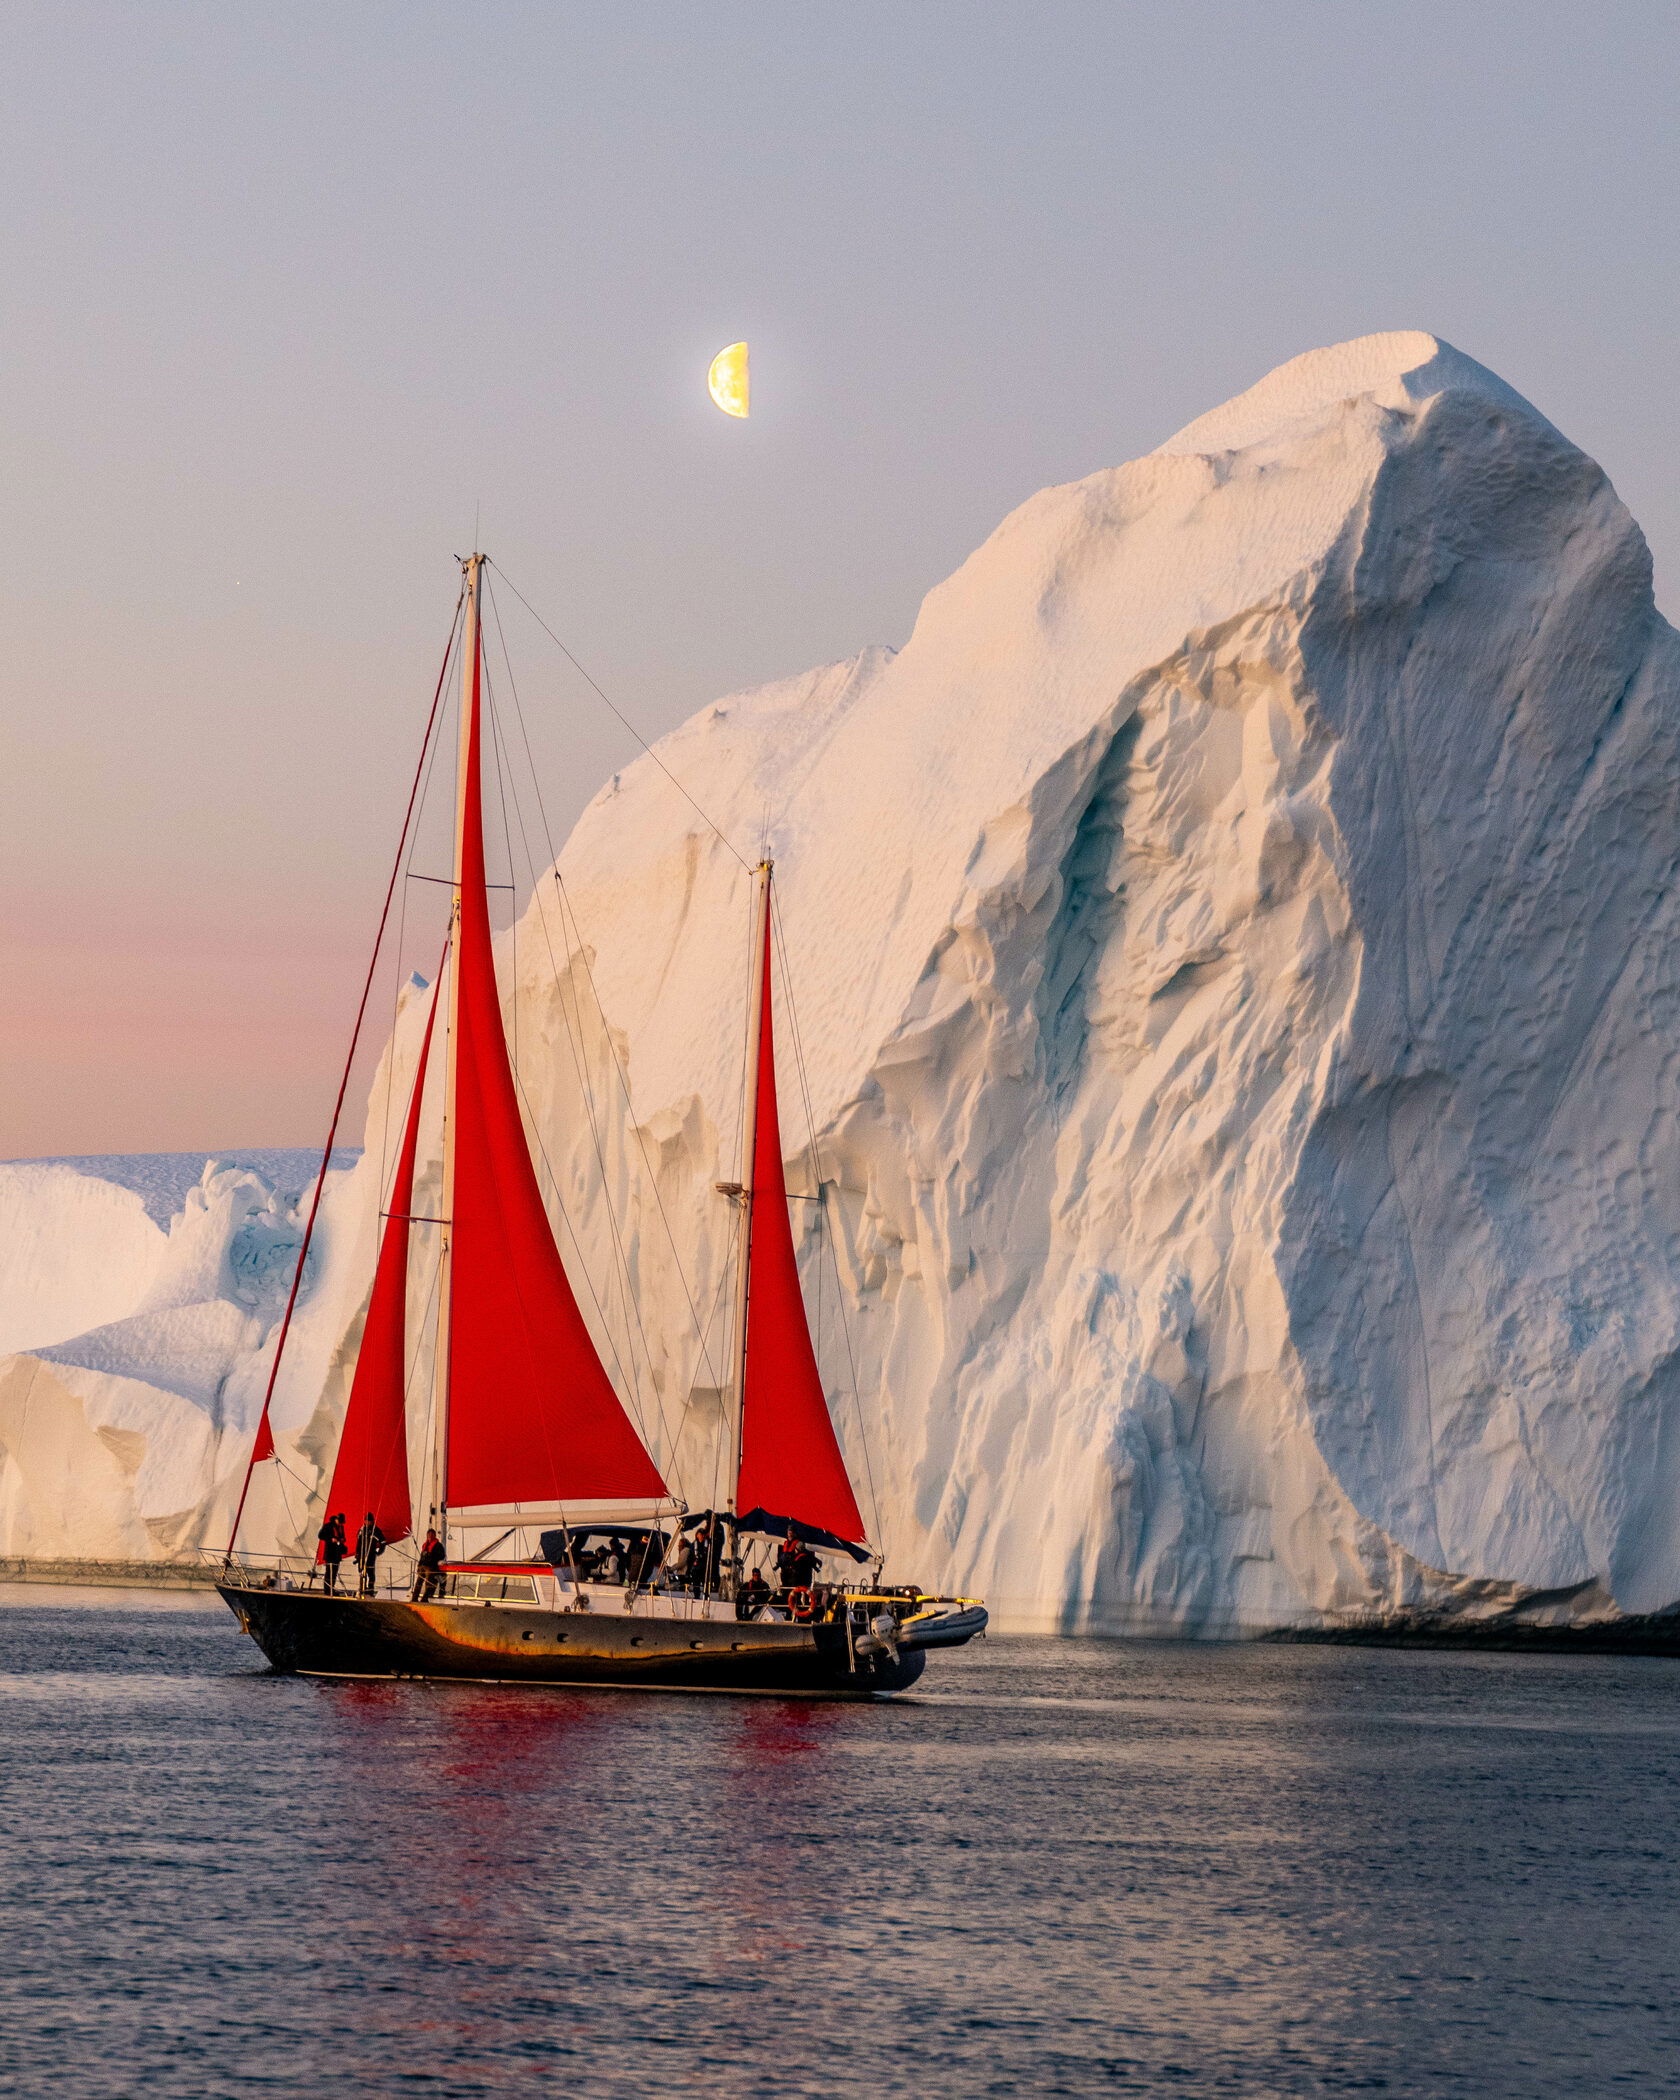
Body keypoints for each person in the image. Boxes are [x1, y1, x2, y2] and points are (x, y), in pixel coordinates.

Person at [355, 1511, 386, 1597]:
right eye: (366, 1521)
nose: (367, 1522)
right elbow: (358, 1543)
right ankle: (362, 1588)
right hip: (361, 1555)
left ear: (372, 1521)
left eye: (369, 1521)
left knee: (371, 1573)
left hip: (371, 1555)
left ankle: (370, 1589)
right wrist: (357, 1553)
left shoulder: (376, 1530)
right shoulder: (361, 1530)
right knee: (361, 1572)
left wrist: (379, 1552)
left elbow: (383, 1542)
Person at [413, 1526, 445, 1602]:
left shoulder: (438, 1545)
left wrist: (431, 1556)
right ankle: (414, 1598)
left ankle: (425, 1598)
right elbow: (422, 1556)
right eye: (429, 1535)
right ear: (427, 1535)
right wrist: (419, 1565)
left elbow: (441, 1555)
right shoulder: (425, 1545)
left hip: (430, 1567)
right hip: (422, 1566)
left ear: (434, 1535)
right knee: (418, 1583)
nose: (430, 1536)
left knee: (429, 1583)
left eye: (431, 1535)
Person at [318, 1511, 347, 1594]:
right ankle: (327, 1590)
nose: (340, 1524)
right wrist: (331, 1539)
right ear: (336, 1520)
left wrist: (342, 1540)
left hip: (337, 1553)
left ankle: (332, 1588)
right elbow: (320, 1535)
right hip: (330, 1552)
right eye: (339, 1522)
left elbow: (343, 1537)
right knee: (329, 1572)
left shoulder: (341, 1527)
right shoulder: (328, 1526)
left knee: (334, 1572)